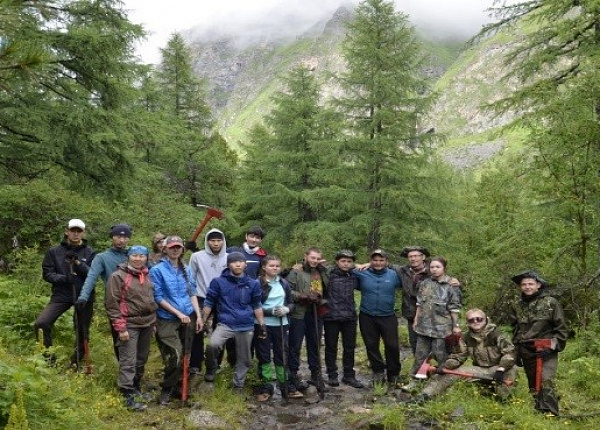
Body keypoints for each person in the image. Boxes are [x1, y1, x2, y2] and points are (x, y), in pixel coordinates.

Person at [411, 308, 516, 403]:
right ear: (468, 323)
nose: (475, 322)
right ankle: (425, 396)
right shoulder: (465, 338)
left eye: (479, 319)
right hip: (480, 369)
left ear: (486, 319)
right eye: (471, 320)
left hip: (498, 368)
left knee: (511, 370)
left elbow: (510, 353)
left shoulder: (497, 334)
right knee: (448, 374)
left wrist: (501, 368)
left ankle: (504, 400)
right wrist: (444, 367)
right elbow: (458, 356)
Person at [34, 219, 95, 367]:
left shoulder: (91, 252)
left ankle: (76, 362)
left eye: (79, 231)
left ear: (83, 233)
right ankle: (49, 360)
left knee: (82, 329)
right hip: (61, 294)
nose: (75, 233)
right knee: (41, 323)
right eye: (72, 230)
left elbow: (92, 274)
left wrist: (77, 263)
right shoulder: (54, 252)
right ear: (66, 231)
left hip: (84, 295)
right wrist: (64, 278)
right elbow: (47, 274)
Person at [202, 252, 266, 392]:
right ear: (228, 264)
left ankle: (238, 385)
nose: (238, 264)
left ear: (245, 264)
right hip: (225, 323)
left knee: (244, 358)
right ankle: (211, 370)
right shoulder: (218, 282)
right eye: (234, 262)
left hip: (246, 324)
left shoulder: (253, 283)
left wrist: (262, 324)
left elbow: (257, 305)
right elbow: (209, 302)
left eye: (241, 262)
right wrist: (202, 321)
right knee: (212, 345)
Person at [151, 236, 203, 406]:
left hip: (189, 315)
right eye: (172, 247)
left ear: (182, 249)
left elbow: (192, 292)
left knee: (186, 355)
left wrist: (199, 315)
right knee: (175, 354)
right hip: (167, 318)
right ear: (164, 249)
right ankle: (166, 389)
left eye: (178, 247)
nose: (175, 250)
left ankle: (180, 387)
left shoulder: (186, 269)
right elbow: (158, 297)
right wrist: (178, 313)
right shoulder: (157, 270)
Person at [105, 245, 157, 411]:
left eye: (142, 256)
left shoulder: (148, 275)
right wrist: (121, 328)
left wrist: (154, 323)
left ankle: (136, 387)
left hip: (147, 323)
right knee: (128, 359)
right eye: (134, 255)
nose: (138, 259)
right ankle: (127, 393)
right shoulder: (118, 276)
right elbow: (112, 303)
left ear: (146, 258)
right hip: (129, 324)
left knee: (141, 358)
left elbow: (151, 299)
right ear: (128, 257)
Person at [509, 270, 568, 415]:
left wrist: (553, 346)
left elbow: (561, 328)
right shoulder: (516, 304)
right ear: (520, 287)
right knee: (533, 382)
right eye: (524, 284)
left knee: (545, 379)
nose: (527, 287)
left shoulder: (550, 303)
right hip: (526, 348)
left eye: (531, 284)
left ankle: (551, 413)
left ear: (538, 285)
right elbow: (515, 328)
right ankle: (539, 408)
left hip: (546, 349)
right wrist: (515, 352)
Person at [76, 223, 132, 359]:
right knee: (120, 336)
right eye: (118, 236)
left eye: (125, 237)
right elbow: (91, 277)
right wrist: (83, 296)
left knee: (136, 337)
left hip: (136, 301)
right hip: (115, 301)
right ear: (112, 237)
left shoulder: (135, 254)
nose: (122, 240)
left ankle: (136, 373)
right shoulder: (102, 257)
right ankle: (124, 370)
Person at [353, 249, 402, 387]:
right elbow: (344, 267)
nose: (378, 263)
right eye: (375, 260)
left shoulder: (394, 275)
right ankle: (378, 371)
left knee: (392, 345)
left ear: (386, 261)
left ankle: (393, 374)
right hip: (367, 315)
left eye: (381, 260)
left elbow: (413, 276)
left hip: (388, 315)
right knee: (371, 345)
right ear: (371, 261)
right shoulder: (362, 273)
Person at [286, 246, 330, 396]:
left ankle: (316, 375)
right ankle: (292, 377)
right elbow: (287, 290)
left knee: (314, 344)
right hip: (298, 313)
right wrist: (302, 296)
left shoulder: (322, 271)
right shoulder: (296, 271)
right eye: (312, 258)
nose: (315, 261)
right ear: (306, 256)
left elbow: (328, 287)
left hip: (316, 313)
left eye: (317, 258)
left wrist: (323, 300)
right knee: (295, 345)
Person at [254, 255, 296, 401]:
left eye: (277, 266)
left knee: (282, 354)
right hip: (263, 324)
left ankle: (284, 384)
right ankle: (266, 385)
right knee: (264, 354)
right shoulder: (257, 284)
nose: (275, 268)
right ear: (264, 267)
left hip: (281, 324)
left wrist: (286, 309)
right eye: (272, 265)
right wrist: (269, 311)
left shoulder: (284, 283)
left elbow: (291, 302)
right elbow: (253, 305)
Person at [412, 257, 462, 379]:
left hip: (442, 329)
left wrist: (455, 326)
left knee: (441, 355)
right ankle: (416, 379)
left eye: (438, 267)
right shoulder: (425, 283)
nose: (434, 270)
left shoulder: (451, 285)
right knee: (420, 355)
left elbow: (454, 308)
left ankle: (441, 380)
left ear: (444, 268)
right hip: (423, 327)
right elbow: (419, 303)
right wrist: (416, 319)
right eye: (432, 267)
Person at [188, 228, 227, 374]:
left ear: (223, 241)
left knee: (220, 331)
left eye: (219, 240)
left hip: (222, 300)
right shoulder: (197, 257)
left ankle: (215, 363)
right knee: (197, 331)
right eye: (213, 240)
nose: (216, 243)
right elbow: (190, 278)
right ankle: (195, 364)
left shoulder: (228, 258)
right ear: (207, 241)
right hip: (201, 297)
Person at [323, 250, 363, 389]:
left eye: (349, 261)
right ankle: (332, 375)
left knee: (349, 347)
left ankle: (349, 375)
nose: (346, 264)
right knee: (331, 347)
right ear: (337, 262)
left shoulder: (354, 275)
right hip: (331, 317)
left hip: (350, 316)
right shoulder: (327, 274)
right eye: (343, 261)